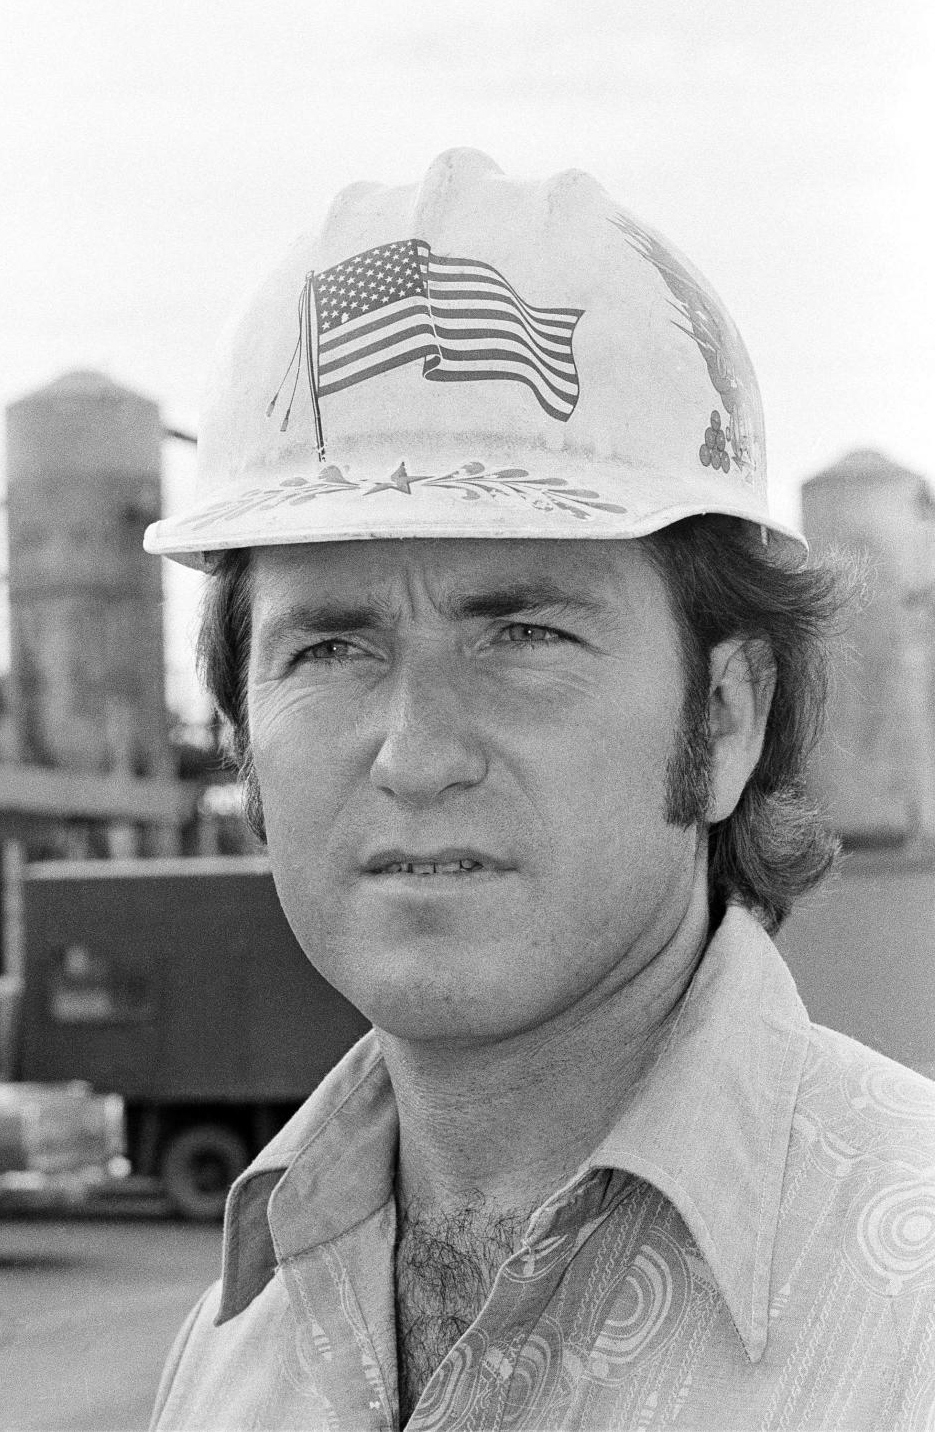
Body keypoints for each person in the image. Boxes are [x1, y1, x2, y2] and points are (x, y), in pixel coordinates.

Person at [145, 150, 935, 1430]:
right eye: (331, 647)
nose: (415, 753)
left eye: (523, 636)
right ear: (242, 734)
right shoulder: (238, 1344)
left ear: (726, 719)